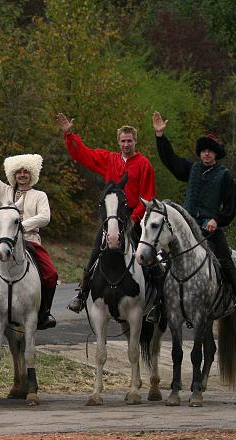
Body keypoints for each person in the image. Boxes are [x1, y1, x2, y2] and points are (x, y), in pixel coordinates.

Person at [152, 111, 236, 326]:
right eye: (204, 150)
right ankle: (159, 304)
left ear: (216, 154)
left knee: (226, 261)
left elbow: (231, 206)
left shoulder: (224, 176)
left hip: (210, 229)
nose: (206, 154)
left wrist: (217, 219)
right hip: (186, 227)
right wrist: (160, 137)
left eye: (210, 151)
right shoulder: (192, 170)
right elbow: (171, 161)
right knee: (160, 258)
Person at [56, 113, 161, 318]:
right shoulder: (108, 159)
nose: (126, 144)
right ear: (118, 141)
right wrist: (69, 134)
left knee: (151, 257)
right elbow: (83, 154)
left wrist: (135, 217)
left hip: (135, 217)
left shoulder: (144, 164)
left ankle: (159, 301)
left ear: (135, 141)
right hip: (112, 216)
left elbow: (148, 195)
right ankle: (82, 293)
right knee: (96, 252)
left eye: (129, 140)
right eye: (123, 140)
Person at [0, 130, 59, 330]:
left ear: (31, 174)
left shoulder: (40, 195)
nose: (22, 175)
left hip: (31, 242)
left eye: (26, 172)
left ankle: (44, 312)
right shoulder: (4, 191)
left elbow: (45, 217)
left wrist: (20, 226)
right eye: (19, 172)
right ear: (14, 174)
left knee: (51, 274)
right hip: (5, 240)